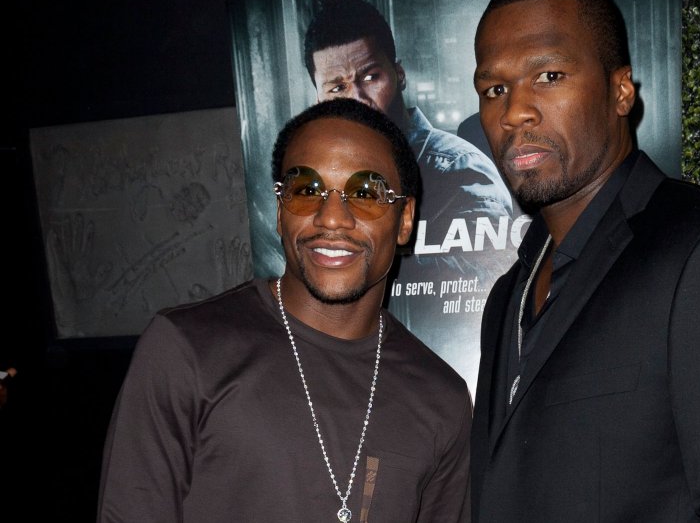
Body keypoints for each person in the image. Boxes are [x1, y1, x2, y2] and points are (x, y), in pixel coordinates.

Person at [470, 0, 700, 521]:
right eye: (494, 89)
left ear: (621, 91)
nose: (514, 112)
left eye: (550, 75)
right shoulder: (508, 296)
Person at [99, 99, 472, 522]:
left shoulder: (441, 397)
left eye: (366, 193)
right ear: (280, 211)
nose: (331, 218)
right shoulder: (187, 351)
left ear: (404, 218)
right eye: (306, 190)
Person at [304, 0, 524, 386]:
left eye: (370, 77)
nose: (356, 99)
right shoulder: (320, 193)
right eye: (337, 86)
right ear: (319, 100)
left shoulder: (459, 172)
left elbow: (490, 302)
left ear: (399, 75)